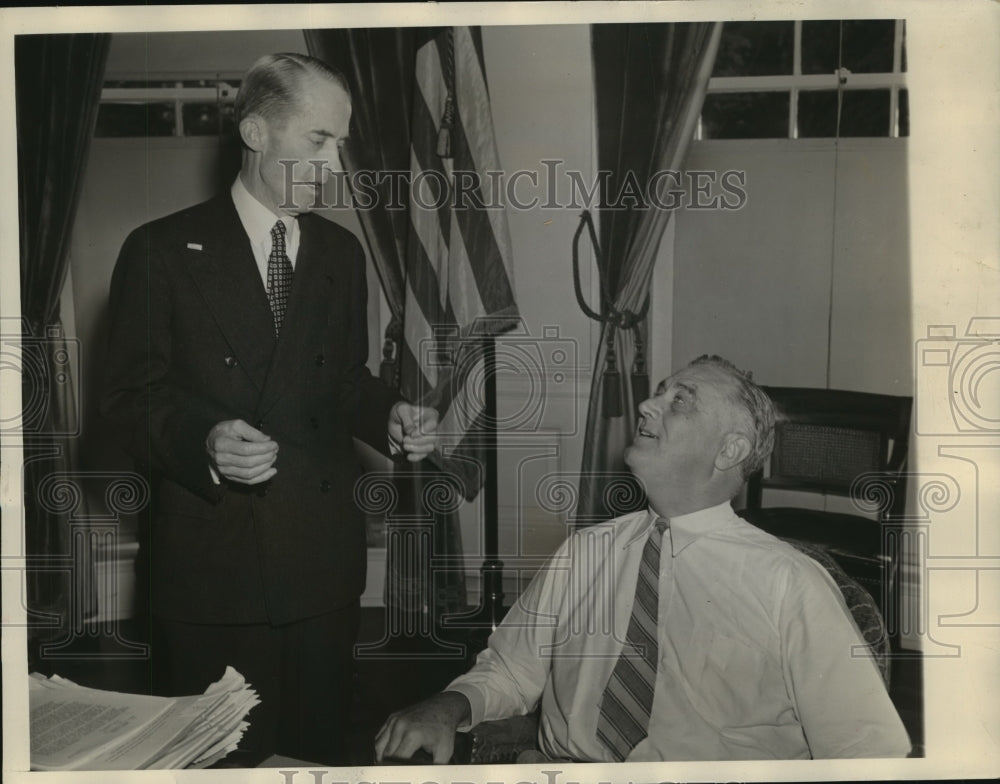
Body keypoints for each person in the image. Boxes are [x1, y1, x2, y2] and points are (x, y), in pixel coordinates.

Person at [102, 52, 438, 766]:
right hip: (209, 572)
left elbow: (343, 381)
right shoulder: (160, 251)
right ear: (256, 132)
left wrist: (392, 415)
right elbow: (125, 404)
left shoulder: (341, 255)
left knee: (315, 752)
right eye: (320, 140)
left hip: (321, 567)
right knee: (219, 760)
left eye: (342, 143)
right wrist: (203, 440)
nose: (337, 163)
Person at [374, 355, 912, 763]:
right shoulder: (585, 552)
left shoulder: (788, 583)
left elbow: (868, 751)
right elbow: (512, 672)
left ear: (730, 451)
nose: (647, 406)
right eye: (658, 393)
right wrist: (450, 705)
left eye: (681, 400)